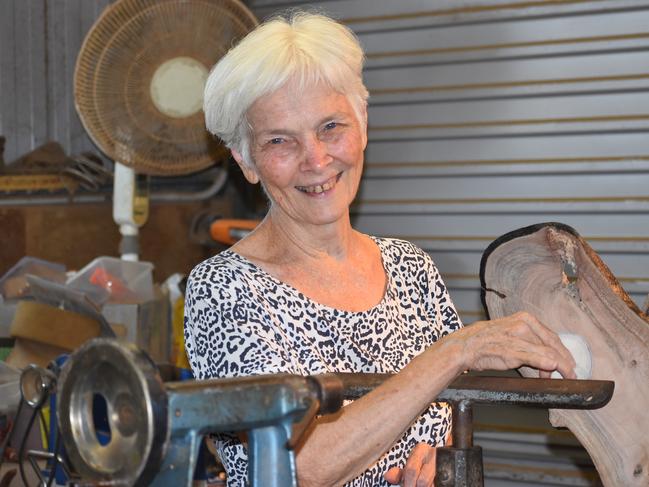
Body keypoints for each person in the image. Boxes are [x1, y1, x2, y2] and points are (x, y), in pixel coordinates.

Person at [184, 11, 577, 487]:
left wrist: (440, 461)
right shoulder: (224, 290)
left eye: (331, 127)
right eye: (280, 141)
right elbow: (298, 466)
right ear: (246, 160)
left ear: (363, 124)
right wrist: (456, 351)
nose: (316, 160)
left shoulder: (411, 270)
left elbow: (445, 421)